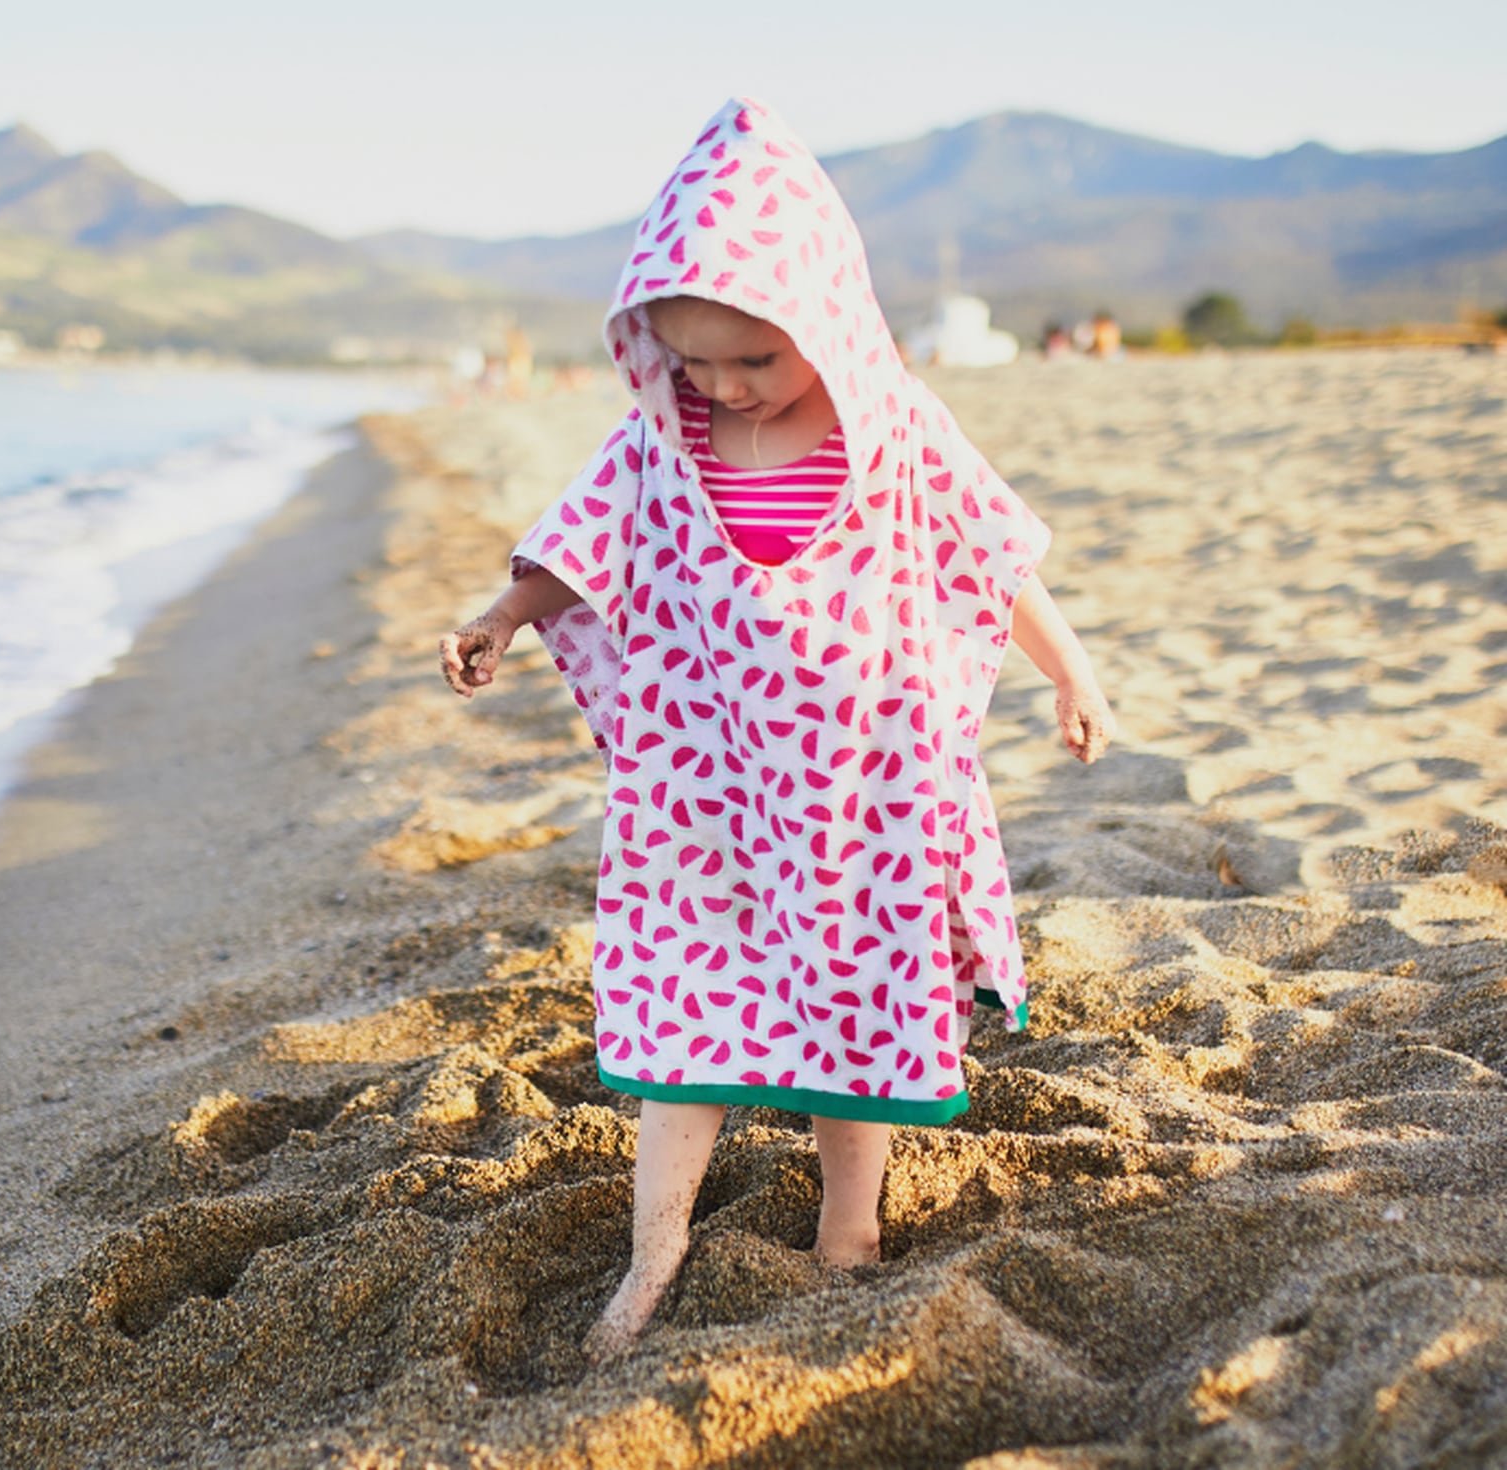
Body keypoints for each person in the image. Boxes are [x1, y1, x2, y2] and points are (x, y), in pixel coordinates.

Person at [437, 97, 1114, 1362]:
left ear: (824, 324)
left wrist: (1071, 675)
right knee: (682, 1011)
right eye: (692, 360)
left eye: (753, 360)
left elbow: (997, 557)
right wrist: (502, 615)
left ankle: (848, 1233)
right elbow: (582, 550)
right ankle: (655, 1250)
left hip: (868, 788)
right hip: (706, 790)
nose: (724, 386)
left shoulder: (898, 430)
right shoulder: (660, 442)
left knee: (858, 1008)